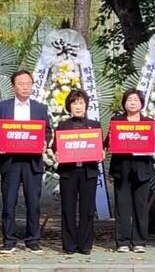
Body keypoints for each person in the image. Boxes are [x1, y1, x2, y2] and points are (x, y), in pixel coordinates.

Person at [0, 70, 52, 254]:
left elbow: (47, 131)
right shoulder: (2, 107)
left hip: (32, 161)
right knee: (9, 202)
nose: (25, 87)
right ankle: (9, 240)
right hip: (10, 161)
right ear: (13, 87)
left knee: (33, 203)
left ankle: (32, 240)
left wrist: (45, 141)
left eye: (28, 84)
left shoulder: (40, 108)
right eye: (21, 84)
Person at [107, 89, 155, 253]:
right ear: (124, 103)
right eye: (129, 99)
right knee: (122, 206)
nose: (133, 103)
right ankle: (122, 241)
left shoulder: (149, 122)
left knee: (141, 206)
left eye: (136, 100)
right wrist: (111, 138)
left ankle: (139, 241)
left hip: (142, 168)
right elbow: (108, 143)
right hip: (122, 168)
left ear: (141, 103)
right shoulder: (116, 121)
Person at [54, 89, 101, 255]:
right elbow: (56, 147)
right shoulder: (63, 126)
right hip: (69, 172)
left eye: (81, 103)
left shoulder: (95, 125)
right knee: (68, 208)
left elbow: (100, 146)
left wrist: (101, 152)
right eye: (74, 103)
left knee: (87, 210)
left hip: (88, 172)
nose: (78, 106)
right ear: (69, 106)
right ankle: (69, 245)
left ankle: (85, 245)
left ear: (86, 105)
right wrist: (56, 153)